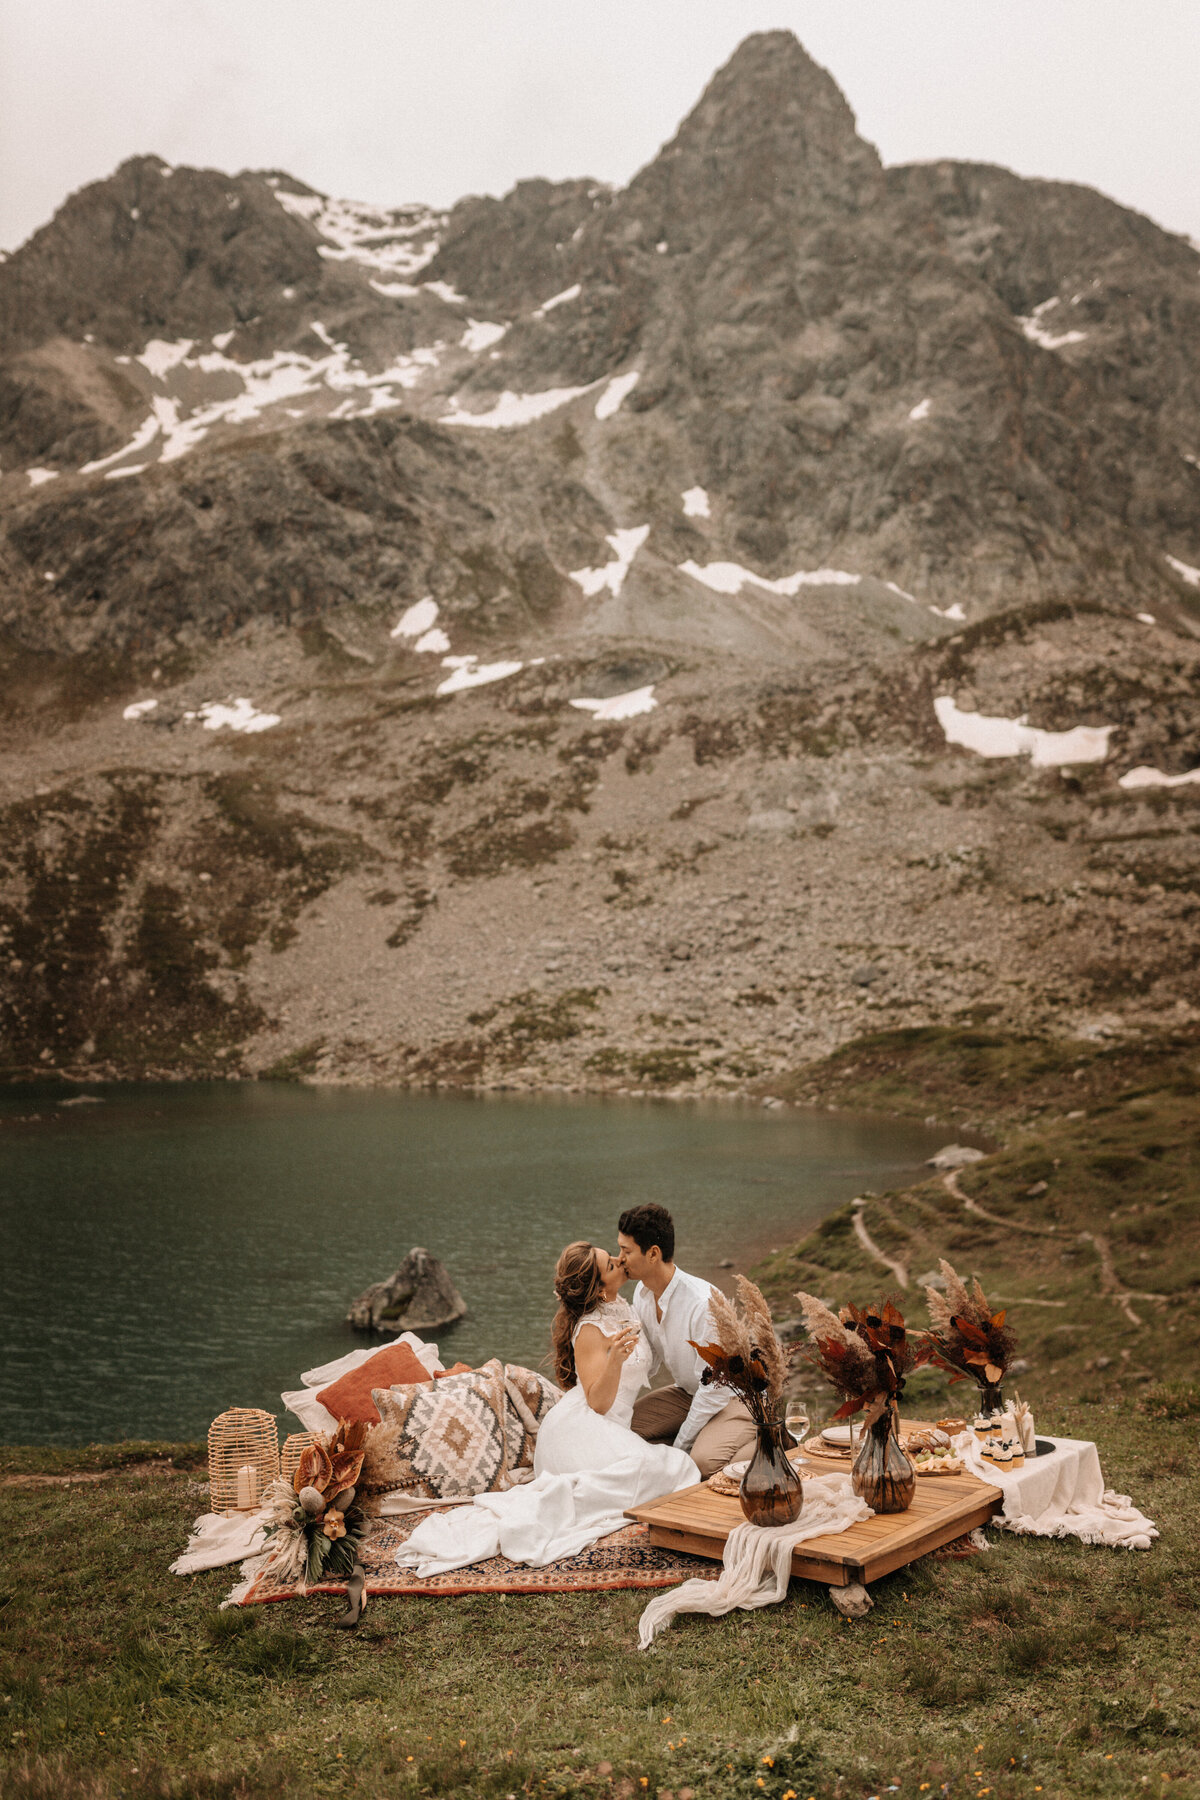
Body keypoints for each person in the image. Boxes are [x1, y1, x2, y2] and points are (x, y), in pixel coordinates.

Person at [394, 1241, 699, 1577]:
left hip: (608, 1425)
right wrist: (614, 1362)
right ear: (599, 1290)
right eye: (609, 1264)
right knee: (669, 1469)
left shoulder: (622, 1304)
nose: (617, 1260)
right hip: (582, 1427)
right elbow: (598, 1403)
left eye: (610, 1256)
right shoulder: (590, 1330)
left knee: (666, 1471)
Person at [617, 1203, 757, 1478]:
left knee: (701, 1464)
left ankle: (771, 1438)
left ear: (653, 1254)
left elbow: (714, 1391)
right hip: (689, 1393)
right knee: (623, 1432)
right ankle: (701, 1442)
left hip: (733, 1399)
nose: (620, 1258)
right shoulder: (642, 1294)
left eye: (626, 1251)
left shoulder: (702, 1303)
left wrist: (682, 1446)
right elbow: (649, 1361)